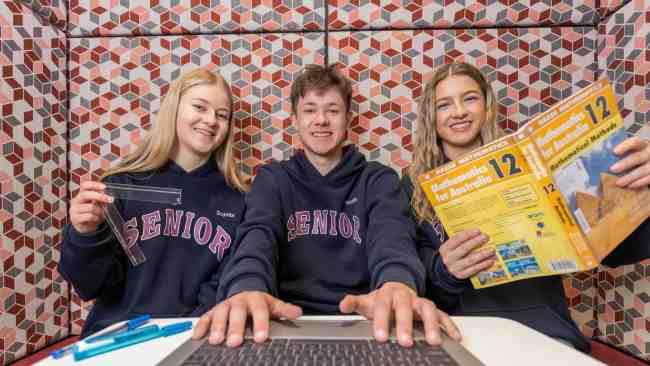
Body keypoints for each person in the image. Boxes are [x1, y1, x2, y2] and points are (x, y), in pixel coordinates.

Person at [192, 64, 461, 348]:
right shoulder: (273, 179)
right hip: (283, 324)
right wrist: (246, 287)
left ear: (348, 119)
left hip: (367, 323)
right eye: (309, 110)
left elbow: (392, 238)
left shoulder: (378, 179)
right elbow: (257, 237)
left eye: (332, 110)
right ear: (294, 118)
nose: (321, 120)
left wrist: (397, 284)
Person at [402, 61, 650, 352]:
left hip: (543, 332)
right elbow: (412, 282)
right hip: (462, 333)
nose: (458, 112)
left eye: (470, 98)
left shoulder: (536, 167)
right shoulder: (411, 186)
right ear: (431, 117)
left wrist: (637, 192)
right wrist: (444, 271)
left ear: (488, 107)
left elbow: (621, 251)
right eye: (444, 104)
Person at [58, 68, 249, 337]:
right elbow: (88, 286)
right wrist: (84, 234)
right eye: (199, 107)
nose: (210, 120)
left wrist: (184, 333)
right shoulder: (122, 184)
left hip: (191, 336)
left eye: (222, 115)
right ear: (174, 109)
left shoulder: (238, 199)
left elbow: (223, 287)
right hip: (116, 336)